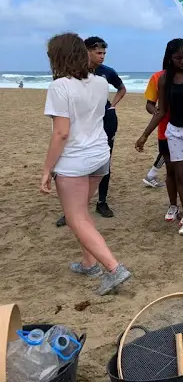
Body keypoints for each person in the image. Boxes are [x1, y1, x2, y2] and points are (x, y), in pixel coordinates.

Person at [40, 32, 131, 295]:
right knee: (80, 213)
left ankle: (113, 269)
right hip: (99, 155)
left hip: (75, 161)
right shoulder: (101, 83)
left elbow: (61, 133)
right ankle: (89, 263)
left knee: (75, 217)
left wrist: (46, 169)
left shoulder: (59, 87)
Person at [135, 39, 183, 237]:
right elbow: (161, 111)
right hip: (175, 132)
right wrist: (144, 135)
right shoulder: (164, 80)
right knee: (181, 176)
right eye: (178, 58)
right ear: (170, 58)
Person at [55, 37, 127, 226]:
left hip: (105, 120)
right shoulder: (72, 73)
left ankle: (101, 202)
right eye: (98, 53)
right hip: (81, 121)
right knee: (75, 161)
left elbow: (121, 88)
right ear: (86, 51)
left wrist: (112, 105)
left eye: (104, 53)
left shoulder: (107, 72)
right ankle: (73, 209)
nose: (102, 56)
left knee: (103, 160)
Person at [142, 63, 180, 222]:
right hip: (165, 130)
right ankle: (173, 205)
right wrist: (157, 112)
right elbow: (149, 104)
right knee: (171, 170)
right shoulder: (158, 77)